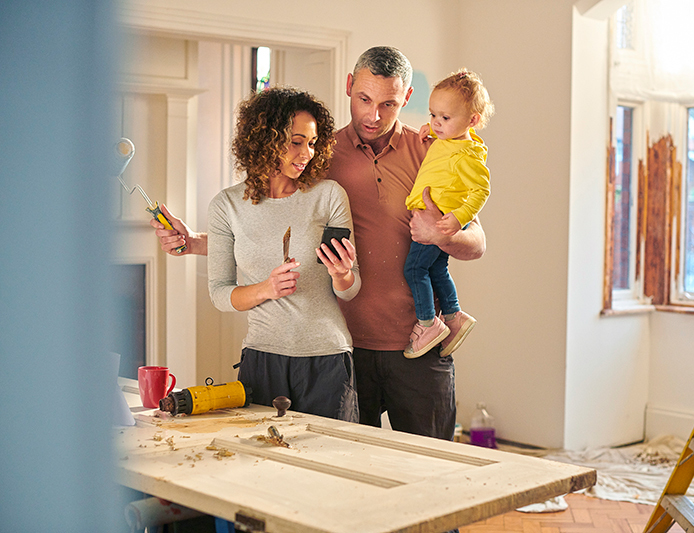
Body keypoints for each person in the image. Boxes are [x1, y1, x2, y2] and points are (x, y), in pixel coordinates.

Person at [151, 47, 486, 442]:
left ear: (407, 99)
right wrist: (196, 242)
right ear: (348, 86)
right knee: (343, 477)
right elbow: (273, 228)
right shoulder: (316, 154)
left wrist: (444, 234)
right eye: (364, 99)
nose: (373, 115)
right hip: (343, 350)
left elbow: (476, 241)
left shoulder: (432, 151)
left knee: (433, 469)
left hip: (418, 343)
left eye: (389, 104)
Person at [206, 86, 361, 422]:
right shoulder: (227, 206)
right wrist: (266, 288)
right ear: (265, 139)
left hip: (327, 358)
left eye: (312, 142)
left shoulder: (328, 196)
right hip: (262, 359)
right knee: (261, 464)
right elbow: (219, 294)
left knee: (330, 466)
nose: (307, 152)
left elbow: (350, 289)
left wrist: (342, 274)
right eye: (296, 141)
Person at [402, 69, 494, 359]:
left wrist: (456, 220)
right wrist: (433, 131)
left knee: (415, 270)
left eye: (445, 118)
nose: (436, 123)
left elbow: (481, 191)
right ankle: (454, 316)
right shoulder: (450, 141)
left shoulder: (466, 155)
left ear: (473, 120)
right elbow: (445, 143)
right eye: (432, 115)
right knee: (437, 269)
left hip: (437, 221)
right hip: (438, 217)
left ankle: (428, 323)